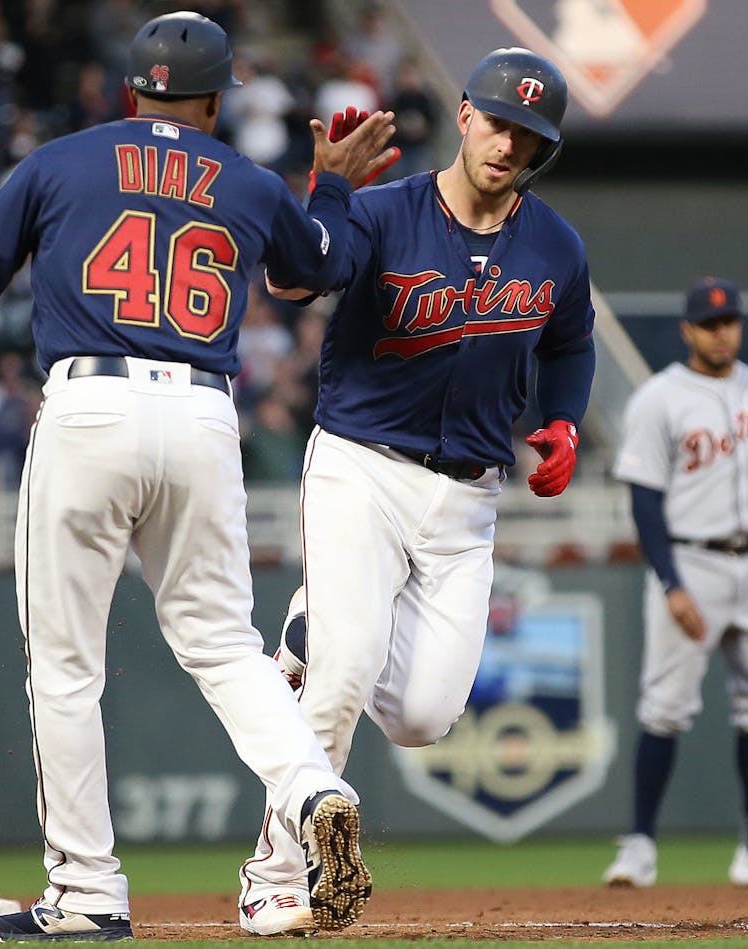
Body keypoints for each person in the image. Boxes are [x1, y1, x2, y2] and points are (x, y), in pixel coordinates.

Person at [0, 11, 398, 941]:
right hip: (201, 411)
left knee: (66, 666)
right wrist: (331, 190)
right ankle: (313, 789)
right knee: (225, 643)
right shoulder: (248, 181)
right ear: (217, 100)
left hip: (88, 404)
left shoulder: (62, 160)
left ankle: (88, 890)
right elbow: (321, 273)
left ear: (132, 87)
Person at [239, 47, 596, 936]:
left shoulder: (554, 244)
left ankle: (307, 630)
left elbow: (571, 343)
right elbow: (297, 277)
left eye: (531, 133)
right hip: (361, 462)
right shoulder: (383, 211)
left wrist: (565, 420)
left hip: (469, 497)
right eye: (498, 121)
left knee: (426, 715)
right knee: (347, 674)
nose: (510, 142)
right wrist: (324, 189)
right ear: (464, 114)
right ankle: (275, 875)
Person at [602, 277, 748, 888]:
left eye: (728, 320)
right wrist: (671, 584)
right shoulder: (659, 398)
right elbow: (644, 501)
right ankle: (639, 847)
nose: (720, 330)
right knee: (665, 708)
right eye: (708, 323)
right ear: (687, 330)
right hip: (690, 561)